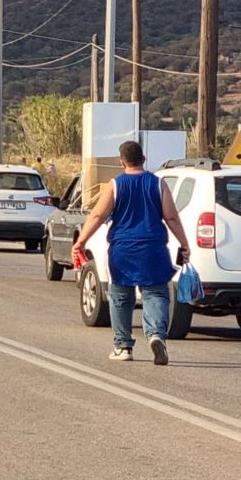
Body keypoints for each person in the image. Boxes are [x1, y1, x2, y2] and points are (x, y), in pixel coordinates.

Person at [72, 140, 191, 365]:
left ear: (122, 161)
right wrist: (184, 243)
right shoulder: (157, 184)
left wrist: (81, 241)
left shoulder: (115, 185)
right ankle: (156, 335)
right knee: (155, 293)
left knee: (120, 296)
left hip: (123, 250)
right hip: (153, 248)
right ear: (143, 159)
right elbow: (172, 217)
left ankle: (123, 346)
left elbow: (97, 216)